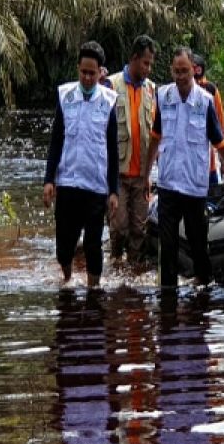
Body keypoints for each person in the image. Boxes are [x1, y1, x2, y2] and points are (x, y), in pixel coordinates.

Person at [146, 47, 224, 289]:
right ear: (171, 70)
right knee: (167, 246)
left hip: (194, 186)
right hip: (169, 183)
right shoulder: (163, 96)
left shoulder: (205, 102)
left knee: (198, 243)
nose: (180, 76)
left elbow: (220, 144)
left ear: (194, 70)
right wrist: (144, 176)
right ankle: (167, 297)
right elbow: (155, 138)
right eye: (176, 71)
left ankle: (204, 289)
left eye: (185, 71)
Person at [43, 41, 120, 288]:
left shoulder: (108, 101)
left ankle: (93, 291)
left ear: (100, 73)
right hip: (67, 184)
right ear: (78, 69)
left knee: (93, 245)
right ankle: (66, 278)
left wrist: (114, 190)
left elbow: (112, 148)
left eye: (92, 73)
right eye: (83, 72)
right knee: (63, 248)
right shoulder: (65, 96)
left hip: (96, 187)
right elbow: (56, 141)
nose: (87, 77)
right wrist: (49, 180)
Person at [108, 35, 158, 263]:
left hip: (141, 174)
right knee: (119, 228)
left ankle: (133, 274)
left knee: (139, 230)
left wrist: (150, 173)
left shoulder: (152, 90)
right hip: (117, 172)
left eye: (150, 64)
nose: (148, 68)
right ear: (134, 59)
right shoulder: (111, 85)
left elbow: (155, 135)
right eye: (145, 63)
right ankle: (116, 265)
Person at [193, 53, 224, 187]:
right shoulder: (177, 93)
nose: (195, 84)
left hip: (209, 165)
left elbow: (221, 130)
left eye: (199, 81)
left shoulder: (210, 91)